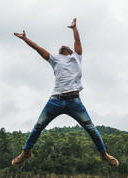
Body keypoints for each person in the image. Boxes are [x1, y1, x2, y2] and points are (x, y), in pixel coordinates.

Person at [12, 18, 119, 167]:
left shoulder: (77, 57)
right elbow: (38, 48)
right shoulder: (54, 59)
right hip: (55, 100)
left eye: (66, 46)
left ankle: (103, 153)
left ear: (71, 52)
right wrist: (25, 39)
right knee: (38, 126)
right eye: (60, 47)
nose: (63, 46)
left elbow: (77, 41)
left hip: (74, 101)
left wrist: (74, 28)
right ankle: (26, 151)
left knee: (90, 128)